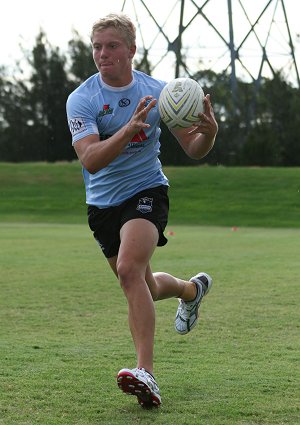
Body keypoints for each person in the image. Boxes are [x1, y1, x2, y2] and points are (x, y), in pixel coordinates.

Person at [66, 12, 218, 409]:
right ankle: (191, 289)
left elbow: (193, 150)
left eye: (112, 46)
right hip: (101, 205)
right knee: (144, 286)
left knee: (129, 271)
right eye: (97, 47)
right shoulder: (81, 99)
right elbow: (91, 160)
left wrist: (208, 133)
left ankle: (145, 371)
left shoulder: (160, 93)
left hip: (146, 191)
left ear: (131, 50)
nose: (102, 54)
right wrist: (127, 129)